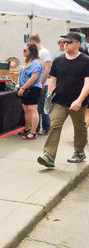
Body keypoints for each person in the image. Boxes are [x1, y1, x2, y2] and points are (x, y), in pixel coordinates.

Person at [37, 32, 89, 168]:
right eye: (64, 41)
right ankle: (49, 155)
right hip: (59, 101)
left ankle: (79, 152)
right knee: (55, 126)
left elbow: (87, 83)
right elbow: (53, 80)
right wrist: (49, 97)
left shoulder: (85, 60)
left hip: (78, 102)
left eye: (69, 42)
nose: (65, 44)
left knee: (80, 128)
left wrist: (79, 100)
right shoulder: (59, 61)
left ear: (78, 43)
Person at [27, 34, 52, 134]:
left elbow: (47, 68)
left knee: (41, 107)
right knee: (36, 107)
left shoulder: (44, 52)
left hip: (41, 84)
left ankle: (46, 127)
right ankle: (36, 128)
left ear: (34, 42)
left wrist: (42, 82)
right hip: (36, 84)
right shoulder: (37, 53)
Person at [17, 44, 43, 139]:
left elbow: (34, 77)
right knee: (26, 110)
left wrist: (23, 88)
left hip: (33, 89)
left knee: (32, 110)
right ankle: (27, 129)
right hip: (26, 88)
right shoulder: (28, 61)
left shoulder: (36, 63)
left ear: (31, 52)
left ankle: (33, 131)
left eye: (25, 50)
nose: (23, 52)